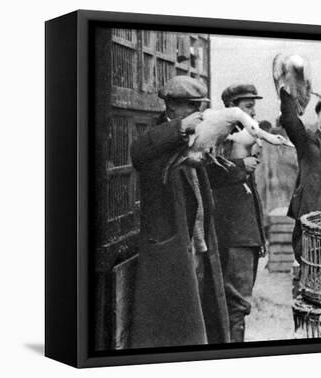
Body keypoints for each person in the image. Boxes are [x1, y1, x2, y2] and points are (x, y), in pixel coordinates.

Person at [130, 75, 230, 348]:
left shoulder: (192, 136)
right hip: (170, 251)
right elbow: (137, 152)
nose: (199, 113)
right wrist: (179, 129)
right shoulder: (159, 137)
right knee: (172, 331)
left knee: (195, 326)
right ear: (173, 107)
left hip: (196, 247)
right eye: (192, 106)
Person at [206, 84, 267, 342]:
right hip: (233, 236)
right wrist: (242, 165)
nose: (253, 110)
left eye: (254, 105)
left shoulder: (246, 136)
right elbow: (209, 171)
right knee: (236, 304)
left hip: (245, 235)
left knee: (238, 304)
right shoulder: (221, 135)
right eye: (248, 105)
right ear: (232, 107)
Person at [279, 88, 321, 263]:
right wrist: (288, 94)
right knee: (308, 264)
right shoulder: (306, 139)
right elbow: (291, 121)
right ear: (318, 115)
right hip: (309, 214)